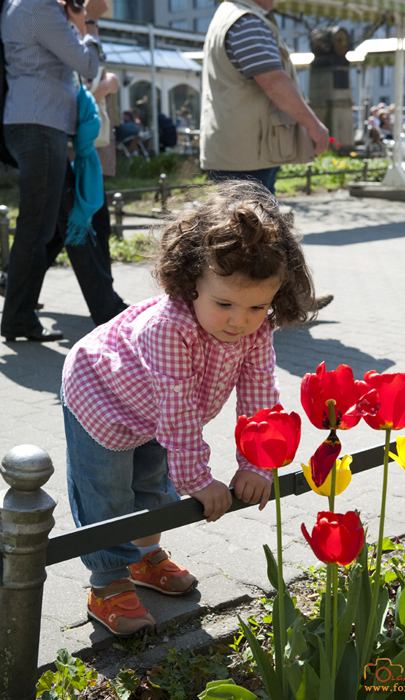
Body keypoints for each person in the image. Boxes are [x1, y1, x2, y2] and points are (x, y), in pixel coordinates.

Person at [61, 180, 316, 636]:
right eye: (225, 304)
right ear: (190, 281)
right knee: (108, 496)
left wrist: (257, 463)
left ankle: (143, 558)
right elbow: (176, 414)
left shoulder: (257, 328)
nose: (240, 320)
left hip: (157, 414)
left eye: (257, 306)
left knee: (153, 486)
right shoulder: (168, 328)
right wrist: (200, 480)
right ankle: (109, 582)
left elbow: (260, 392)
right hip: (100, 398)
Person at [0, 0, 108, 342]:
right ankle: (17, 317)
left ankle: (20, 312)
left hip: (32, 121)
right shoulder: (39, 7)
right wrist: (88, 20)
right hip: (39, 123)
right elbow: (88, 64)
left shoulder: (20, 5)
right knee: (37, 228)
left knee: (45, 226)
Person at [200, 0, 328, 196]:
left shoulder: (231, 15)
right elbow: (274, 81)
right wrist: (313, 125)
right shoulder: (246, 21)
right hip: (248, 153)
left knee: (241, 219)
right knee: (254, 221)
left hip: (240, 148)